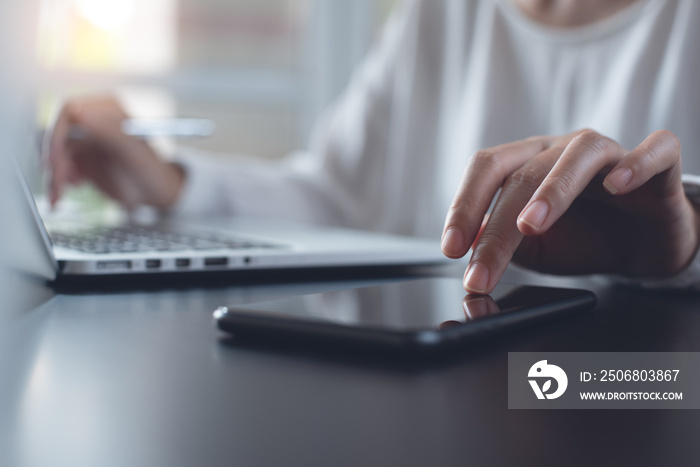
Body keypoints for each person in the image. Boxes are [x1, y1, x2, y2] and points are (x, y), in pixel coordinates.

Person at [47, 0, 700, 294]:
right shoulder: (443, 12)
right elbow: (335, 192)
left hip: (636, 394)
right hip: (455, 401)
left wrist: (687, 250)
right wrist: (168, 183)